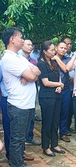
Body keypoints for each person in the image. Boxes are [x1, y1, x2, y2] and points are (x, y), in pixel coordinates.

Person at [1, 27, 41, 166]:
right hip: (19, 105)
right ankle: (16, 164)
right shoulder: (8, 59)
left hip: (27, 104)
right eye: (21, 37)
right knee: (17, 139)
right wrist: (30, 75)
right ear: (12, 39)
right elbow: (31, 75)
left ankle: (18, 161)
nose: (23, 40)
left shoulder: (19, 57)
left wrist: (31, 75)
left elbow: (37, 70)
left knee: (21, 138)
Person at [37, 40, 65, 157]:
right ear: (44, 51)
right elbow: (46, 82)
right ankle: (46, 146)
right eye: (52, 50)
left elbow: (58, 76)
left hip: (56, 95)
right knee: (47, 122)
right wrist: (59, 85)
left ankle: (55, 144)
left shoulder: (53, 62)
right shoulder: (41, 64)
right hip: (47, 97)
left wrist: (60, 85)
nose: (54, 52)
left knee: (55, 121)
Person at [19, 39, 42, 146]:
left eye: (31, 45)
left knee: (31, 115)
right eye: (28, 44)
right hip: (21, 93)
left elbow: (37, 75)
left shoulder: (33, 60)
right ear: (22, 45)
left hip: (32, 91)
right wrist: (30, 75)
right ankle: (21, 140)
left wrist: (29, 76)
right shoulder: (17, 59)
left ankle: (29, 136)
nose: (30, 46)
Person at [52, 41, 72, 142]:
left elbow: (66, 69)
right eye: (61, 48)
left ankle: (63, 132)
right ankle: (53, 133)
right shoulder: (50, 59)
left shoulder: (68, 59)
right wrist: (55, 58)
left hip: (66, 88)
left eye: (65, 48)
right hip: (53, 89)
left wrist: (57, 59)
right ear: (56, 48)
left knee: (65, 111)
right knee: (55, 112)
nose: (63, 50)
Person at [62, 36, 75, 134]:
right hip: (62, 86)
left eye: (70, 44)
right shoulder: (56, 57)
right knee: (61, 109)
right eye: (67, 44)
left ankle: (66, 127)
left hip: (73, 87)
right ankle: (62, 129)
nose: (69, 46)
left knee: (69, 109)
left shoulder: (75, 55)